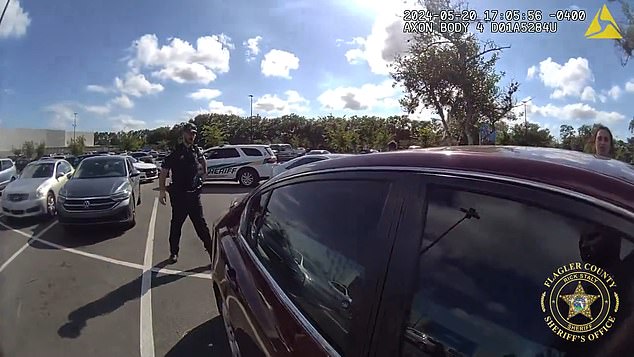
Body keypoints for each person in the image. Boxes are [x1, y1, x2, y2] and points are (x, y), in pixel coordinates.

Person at [158, 123, 211, 264]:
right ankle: (173, 253)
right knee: (176, 226)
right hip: (179, 197)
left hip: (193, 196)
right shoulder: (175, 152)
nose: (191, 136)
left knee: (201, 226)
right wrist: (162, 191)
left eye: (193, 133)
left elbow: (203, 163)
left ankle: (212, 252)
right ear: (183, 134)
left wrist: (203, 176)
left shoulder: (196, 151)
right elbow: (164, 171)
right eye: (189, 133)